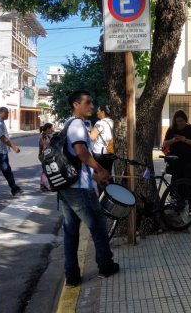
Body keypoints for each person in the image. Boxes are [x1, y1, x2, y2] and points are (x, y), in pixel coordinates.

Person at [59, 90, 118, 287]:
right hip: (80, 190)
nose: (92, 106)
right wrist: (101, 170)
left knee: (71, 232)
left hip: (68, 186)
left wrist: (95, 176)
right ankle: (105, 265)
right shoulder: (76, 125)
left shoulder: (69, 124)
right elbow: (81, 153)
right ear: (76, 104)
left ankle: (72, 275)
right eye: (88, 102)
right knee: (98, 227)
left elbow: (76, 163)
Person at [162, 110, 191, 214]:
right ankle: (180, 203)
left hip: (190, 159)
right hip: (176, 160)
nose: (179, 123)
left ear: (185, 119)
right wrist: (174, 140)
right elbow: (165, 143)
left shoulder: (190, 128)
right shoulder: (171, 129)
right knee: (178, 182)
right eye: (177, 121)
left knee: (190, 181)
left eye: (181, 121)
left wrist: (184, 139)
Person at [90, 105, 115, 175]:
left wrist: (86, 133)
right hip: (110, 151)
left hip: (100, 153)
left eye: (98, 111)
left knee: (100, 175)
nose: (97, 113)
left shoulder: (100, 123)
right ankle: (110, 185)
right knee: (108, 173)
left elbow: (92, 137)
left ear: (103, 112)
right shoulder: (113, 122)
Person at [38, 123, 54, 192]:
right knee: (47, 171)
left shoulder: (45, 136)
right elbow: (46, 147)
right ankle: (47, 186)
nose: (52, 130)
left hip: (43, 156)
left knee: (45, 170)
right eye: (51, 128)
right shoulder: (44, 137)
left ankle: (43, 185)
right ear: (47, 129)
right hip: (45, 156)